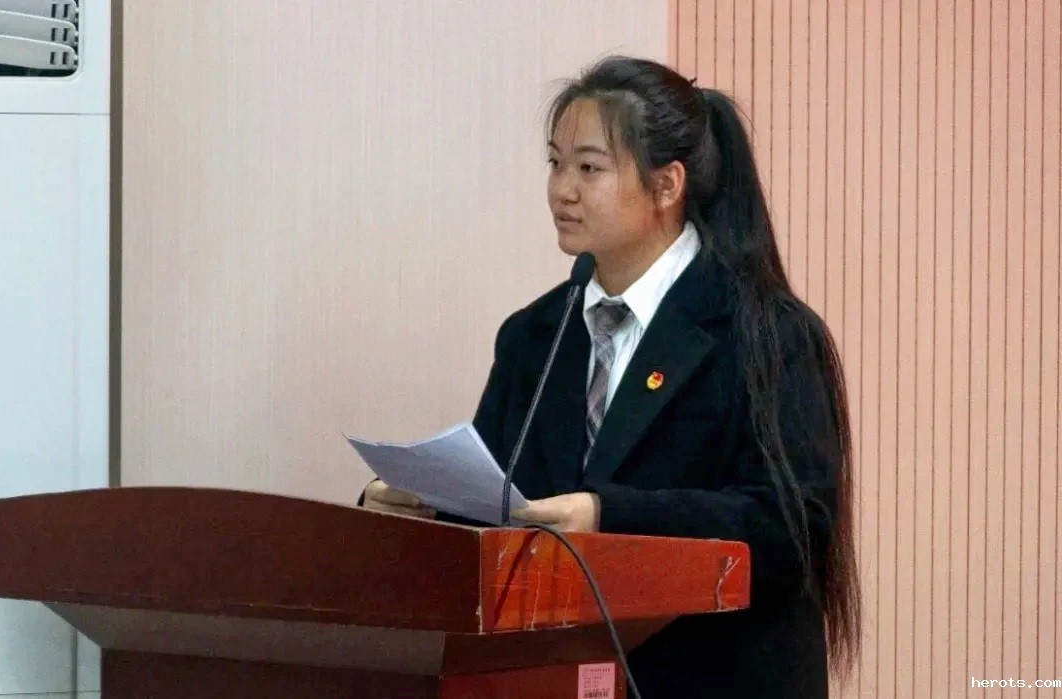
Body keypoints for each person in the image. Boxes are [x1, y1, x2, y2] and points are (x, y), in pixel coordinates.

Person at [361, 55, 860, 697]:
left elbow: (793, 530)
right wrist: (421, 507)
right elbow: (502, 509)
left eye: (589, 168)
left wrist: (609, 515)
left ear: (666, 185)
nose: (562, 190)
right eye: (555, 164)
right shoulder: (534, 336)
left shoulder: (766, 333)